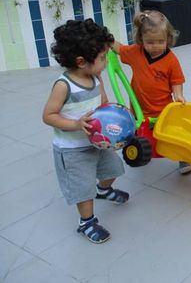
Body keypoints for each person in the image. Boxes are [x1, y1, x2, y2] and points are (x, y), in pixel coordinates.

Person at [43, 19, 128, 244]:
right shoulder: (64, 86)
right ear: (81, 61)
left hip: (98, 143)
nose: (106, 62)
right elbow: (48, 116)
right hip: (72, 150)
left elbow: (103, 103)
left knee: (114, 169)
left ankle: (103, 189)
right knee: (83, 188)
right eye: (103, 58)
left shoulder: (95, 77)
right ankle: (87, 222)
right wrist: (76, 125)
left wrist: (117, 115)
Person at [112, 9, 191, 174]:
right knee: (139, 131)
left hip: (163, 108)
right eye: (150, 42)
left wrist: (178, 95)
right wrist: (107, 40)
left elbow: (176, 81)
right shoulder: (135, 52)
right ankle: (141, 150)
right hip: (139, 108)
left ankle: (183, 158)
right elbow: (119, 48)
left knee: (174, 134)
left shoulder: (171, 60)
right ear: (141, 39)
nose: (155, 46)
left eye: (160, 41)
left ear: (168, 39)